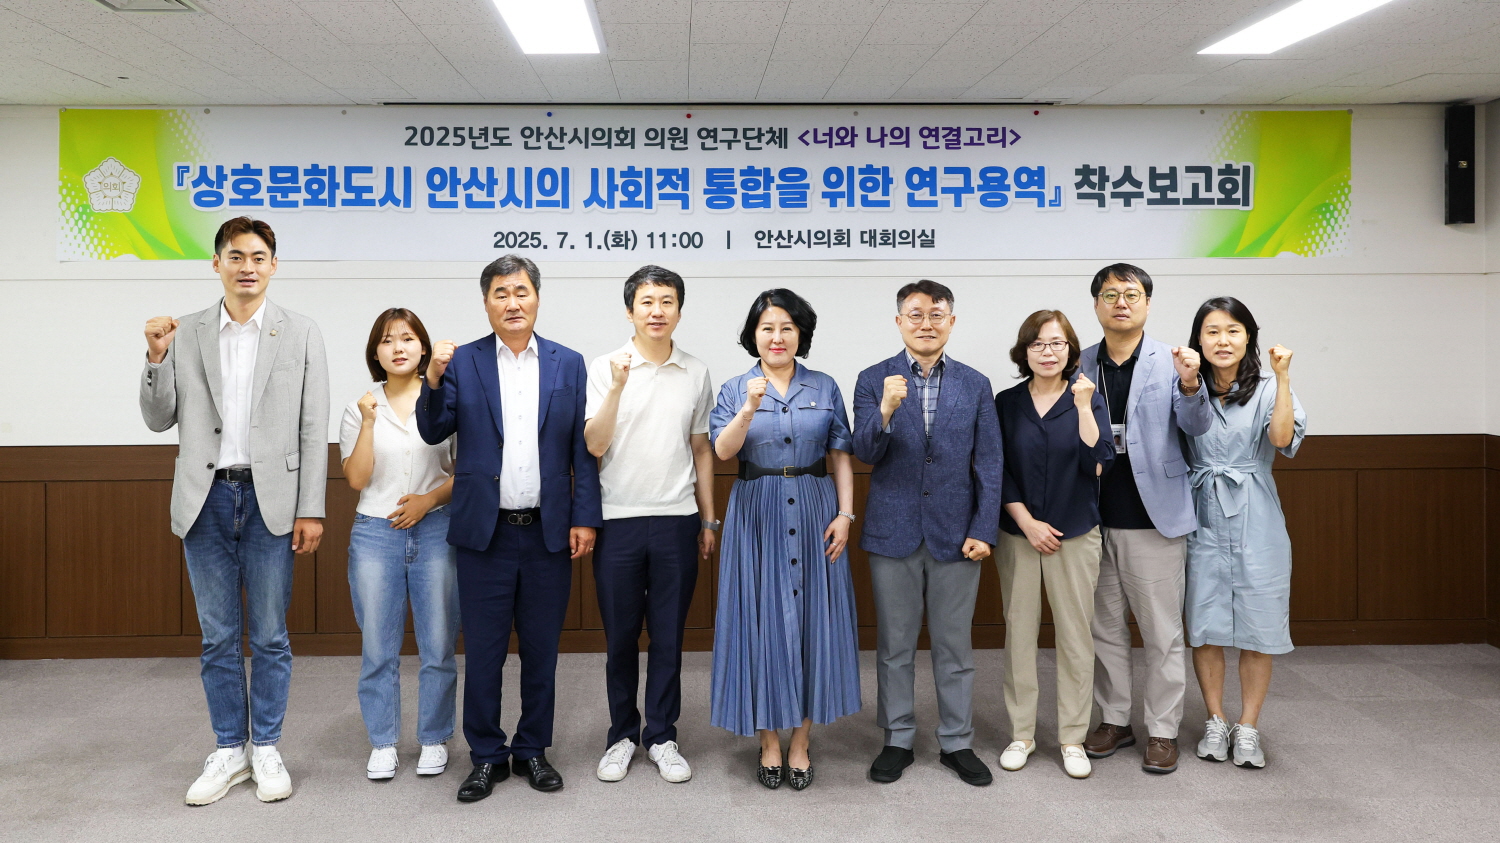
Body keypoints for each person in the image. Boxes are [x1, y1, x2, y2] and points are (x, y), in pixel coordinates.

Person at [140, 216, 328, 805]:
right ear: (216, 263)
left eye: (258, 256)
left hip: (274, 499)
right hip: (206, 499)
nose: (247, 266)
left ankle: (266, 745)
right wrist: (155, 357)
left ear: (274, 265)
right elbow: (157, 418)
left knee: (270, 635)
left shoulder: (301, 331)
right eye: (236, 256)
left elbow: (313, 426)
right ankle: (229, 749)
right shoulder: (186, 330)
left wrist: (312, 508)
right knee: (218, 636)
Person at [416, 254, 602, 802]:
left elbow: (581, 452)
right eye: (501, 293)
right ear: (486, 303)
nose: (512, 302)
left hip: (548, 531)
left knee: (542, 650)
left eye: (521, 291)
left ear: (537, 298)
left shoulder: (569, 363)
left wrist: (584, 517)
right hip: (485, 533)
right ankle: (487, 756)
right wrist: (432, 378)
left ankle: (533, 749)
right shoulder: (464, 361)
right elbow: (433, 429)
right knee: (485, 653)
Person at [853, 279, 1003, 787]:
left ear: (951, 322)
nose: (926, 324)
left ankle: (957, 741)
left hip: (957, 534)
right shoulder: (873, 379)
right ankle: (897, 738)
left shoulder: (975, 383)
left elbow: (989, 461)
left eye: (936, 314)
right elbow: (865, 453)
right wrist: (885, 410)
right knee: (894, 645)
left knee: (954, 646)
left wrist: (984, 528)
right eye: (915, 315)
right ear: (899, 322)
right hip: (892, 532)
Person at [710, 289, 861, 791]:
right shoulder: (735, 388)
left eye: (787, 328)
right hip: (756, 510)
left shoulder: (824, 385)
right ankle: (768, 740)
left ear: (801, 335)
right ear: (753, 336)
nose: (777, 337)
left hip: (817, 506)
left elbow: (840, 453)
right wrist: (749, 408)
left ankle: (801, 741)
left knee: (814, 621)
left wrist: (845, 514)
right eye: (767, 328)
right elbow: (724, 451)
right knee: (761, 621)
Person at [584, 266, 717, 785]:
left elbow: (701, 449)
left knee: (667, 637)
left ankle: (662, 736)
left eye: (667, 301)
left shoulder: (696, 371)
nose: (656, 310)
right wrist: (618, 386)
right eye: (646, 301)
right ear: (629, 311)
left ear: (679, 310)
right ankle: (621, 735)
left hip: (677, 520)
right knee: (620, 638)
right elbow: (595, 444)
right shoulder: (604, 367)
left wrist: (708, 518)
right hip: (616, 521)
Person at [1078, 263, 1210, 775]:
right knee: (1105, 630)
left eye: (1131, 295)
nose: (1121, 303)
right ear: (1096, 304)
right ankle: (1115, 719)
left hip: (1154, 518)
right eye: (1110, 294)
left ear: (1147, 304)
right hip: (1091, 519)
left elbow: (1196, 426)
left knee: (1161, 633)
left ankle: (1162, 729)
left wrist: (1192, 384)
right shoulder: (1078, 362)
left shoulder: (1172, 360)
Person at [1183, 297, 1304, 770]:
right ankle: (1216, 718)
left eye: (1233, 330)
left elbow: (1281, 440)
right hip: (1200, 512)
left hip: (1257, 515)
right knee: (1204, 624)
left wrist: (1284, 377)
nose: (1222, 340)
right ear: (1199, 339)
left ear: (1248, 337)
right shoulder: (1187, 386)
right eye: (1212, 331)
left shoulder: (1271, 386)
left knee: (1259, 624)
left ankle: (1248, 724)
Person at [338, 308, 459, 781]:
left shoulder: (446, 403)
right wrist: (369, 423)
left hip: (436, 529)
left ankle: (434, 738)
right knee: (378, 647)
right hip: (375, 533)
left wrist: (428, 501)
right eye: (387, 341)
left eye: (407, 338)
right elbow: (356, 479)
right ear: (376, 353)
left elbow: (466, 472)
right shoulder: (360, 408)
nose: (398, 348)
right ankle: (383, 743)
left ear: (423, 347)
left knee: (438, 644)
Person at [993, 311, 1114, 779]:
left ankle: (1072, 738)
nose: (1048, 352)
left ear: (1071, 350)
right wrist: (1026, 522)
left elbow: (1098, 463)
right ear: (1024, 352)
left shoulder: (1089, 397)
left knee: (1075, 637)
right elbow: (996, 469)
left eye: (1058, 343)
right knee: (1019, 632)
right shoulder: (1006, 403)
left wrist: (1083, 408)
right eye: (1038, 344)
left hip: (1075, 534)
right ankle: (1021, 734)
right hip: (1019, 535)